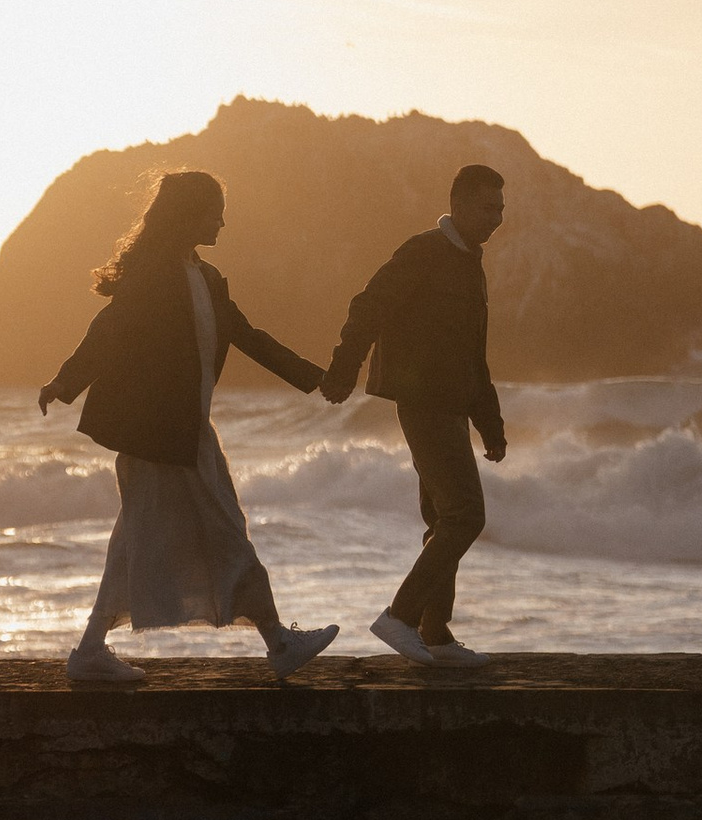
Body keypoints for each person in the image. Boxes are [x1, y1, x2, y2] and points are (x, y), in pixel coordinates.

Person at [41, 168, 340, 688]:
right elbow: (107, 331)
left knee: (140, 540)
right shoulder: (153, 273)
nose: (223, 221)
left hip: (187, 431)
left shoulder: (207, 277)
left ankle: (91, 648)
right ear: (188, 215)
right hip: (157, 434)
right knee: (222, 529)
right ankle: (279, 641)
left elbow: (249, 335)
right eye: (214, 210)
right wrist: (65, 382)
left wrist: (314, 378)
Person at [321, 159, 508, 666]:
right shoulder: (425, 250)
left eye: (501, 210)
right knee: (466, 515)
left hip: (451, 404)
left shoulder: (471, 264)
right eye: (487, 208)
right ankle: (400, 617)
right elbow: (368, 305)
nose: (496, 218)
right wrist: (345, 366)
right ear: (458, 205)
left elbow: (474, 352)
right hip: (424, 403)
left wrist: (489, 423)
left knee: (442, 519)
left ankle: (435, 635)